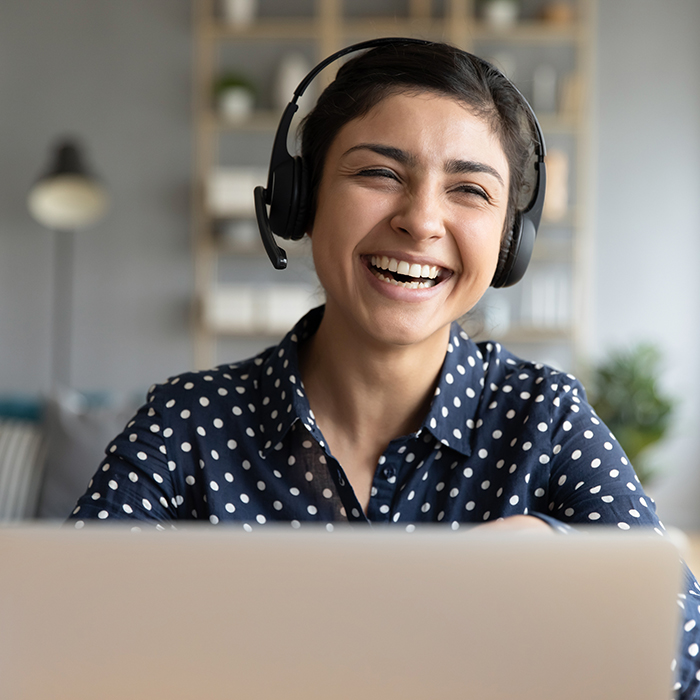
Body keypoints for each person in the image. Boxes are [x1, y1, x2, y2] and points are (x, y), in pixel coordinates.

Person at [69, 40, 700, 697]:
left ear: (511, 242)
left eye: (469, 189)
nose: (422, 221)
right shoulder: (188, 422)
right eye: (379, 174)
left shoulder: (546, 417)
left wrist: (563, 557)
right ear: (302, 198)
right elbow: (60, 639)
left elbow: (687, 658)